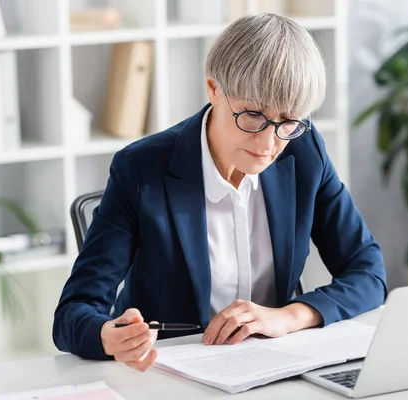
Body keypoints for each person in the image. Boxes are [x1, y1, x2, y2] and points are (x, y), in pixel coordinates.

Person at [53, 13, 387, 373]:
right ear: (214, 89)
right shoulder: (141, 169)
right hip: (169, 371)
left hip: (272, 367)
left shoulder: (303, 151)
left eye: (287, 121)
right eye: (253, 116)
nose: (268, 143)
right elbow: (73, 313)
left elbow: (368, 273)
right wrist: (107, 335)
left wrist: (290, 316)